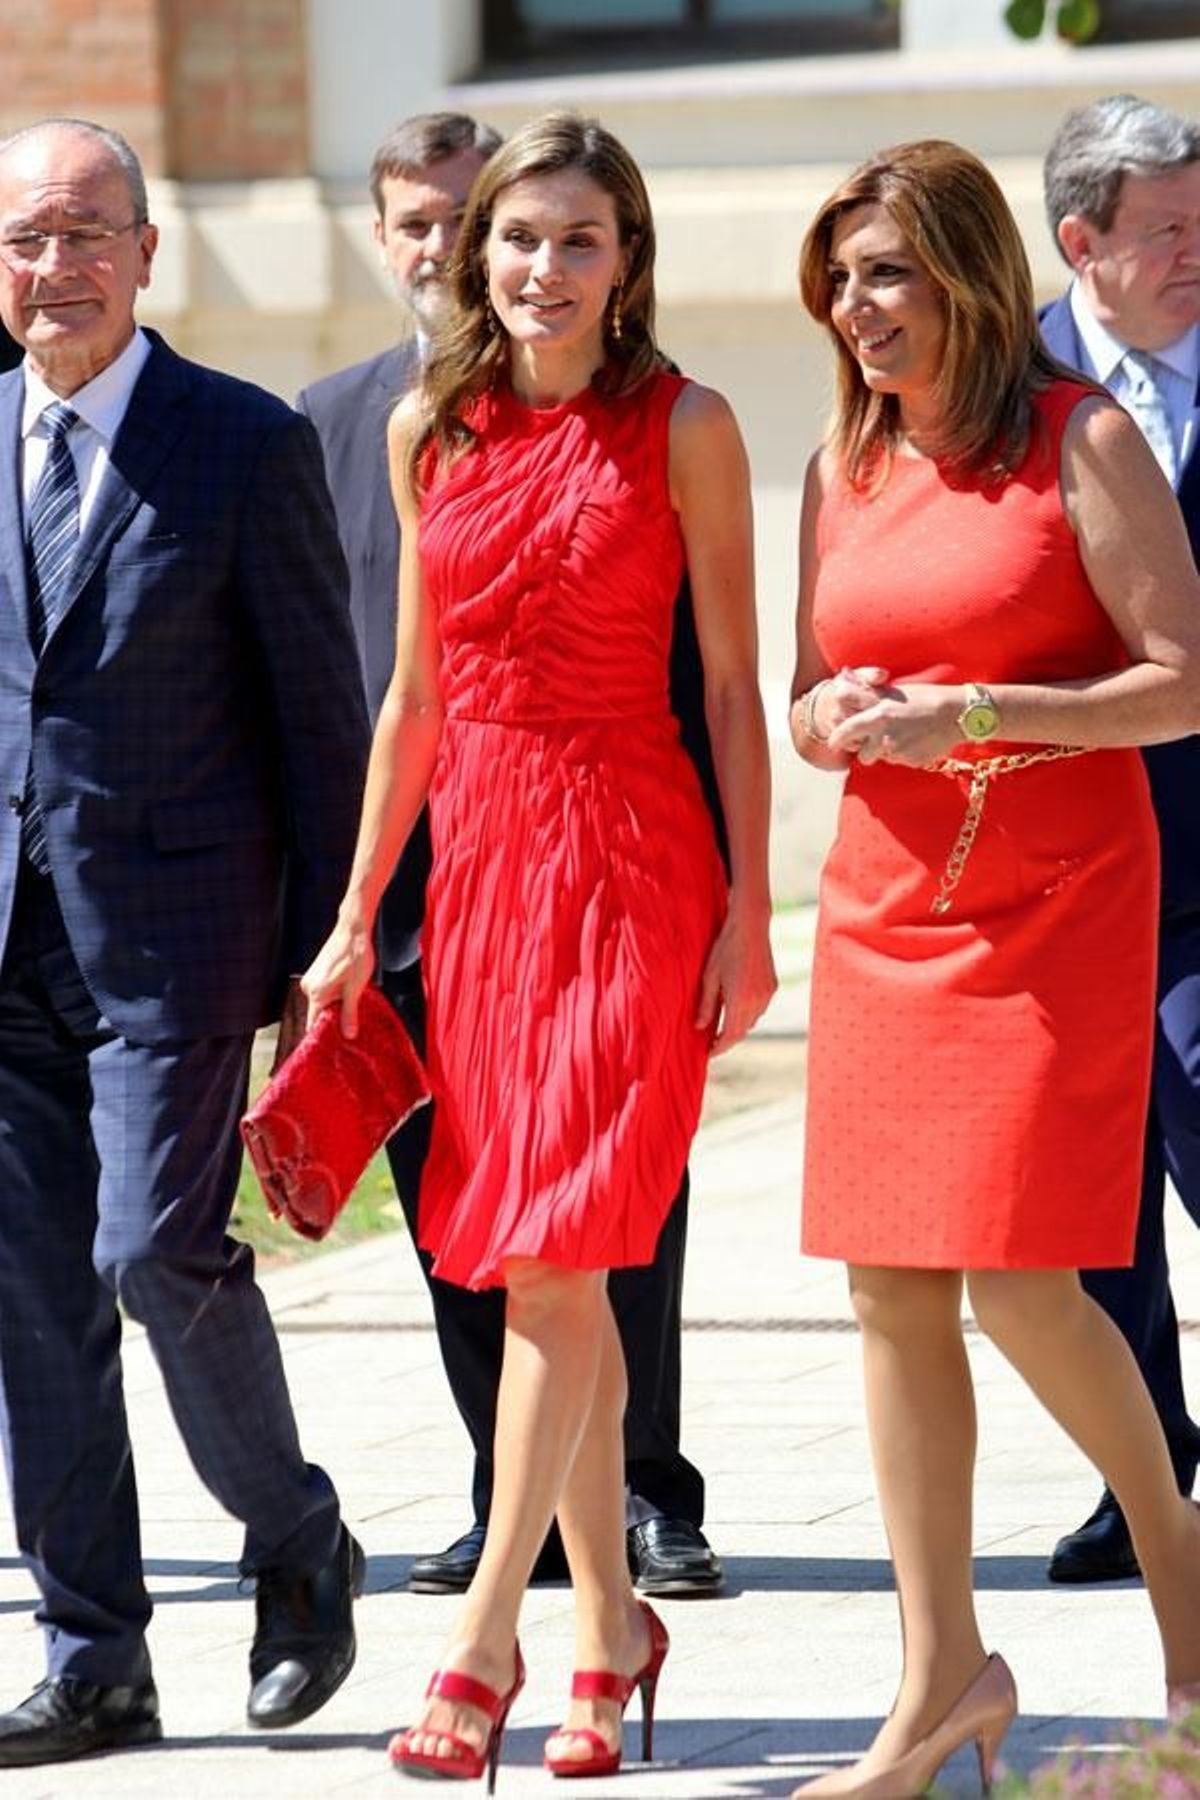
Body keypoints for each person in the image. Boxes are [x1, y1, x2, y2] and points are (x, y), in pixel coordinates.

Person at [303, 110, 775, 1781]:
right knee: (528, 1260)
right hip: (484, 864)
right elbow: (413, 699)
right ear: (473, 249)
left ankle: (488, 1631)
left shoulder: (690, 426)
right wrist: (359, 916)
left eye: (580, 240)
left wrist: (748, 906)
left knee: (565, 1250)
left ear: (629, 259)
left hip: (634, 857)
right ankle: (606, 1633)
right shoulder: (429, 429)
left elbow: (727, 683)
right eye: (519, 237)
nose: (542, 269)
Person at [789, 138, 1200, 1797]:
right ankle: (940, 1675)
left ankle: (1183, 1573)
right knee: (888, 1293)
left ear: (962, 270)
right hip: (887, 900)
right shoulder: (849, 454)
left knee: (1028, 1282)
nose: (853, 305)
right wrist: (828, 720)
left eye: (883, 271)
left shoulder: (1081, 439)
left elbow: (1179, 682)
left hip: (1055, 906)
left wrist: (981, 715)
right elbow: (822, 683)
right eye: (839, 275)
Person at [0, 118, 371, 1766]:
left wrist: (323, 955)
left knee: (150, 1251)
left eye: (86, 234)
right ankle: (97, 1659)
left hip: (178, 938)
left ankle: (296, 1542)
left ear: (149, 253)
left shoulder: (240, 441)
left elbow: (318, 714)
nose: (53, 267)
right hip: (10, 945)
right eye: (25, 238)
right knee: (32, 1308)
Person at [1039, 92, 1200, 1586]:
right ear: (1081, 242)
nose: (1196, 256)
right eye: (1166, 233)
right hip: (1062, 856)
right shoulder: (1002, 381)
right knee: (1095, 1189)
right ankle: (1142, 1477)